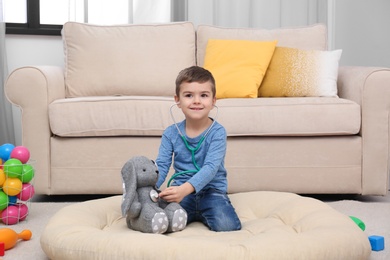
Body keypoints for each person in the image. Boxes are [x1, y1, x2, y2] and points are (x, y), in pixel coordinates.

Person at [156, 66, 241, 232]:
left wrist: (183, 190)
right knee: (161, 220)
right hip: (181, 191)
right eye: (189, 95)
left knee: (227, 226)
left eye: (204, 95)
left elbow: (211, 168)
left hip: (211, 191)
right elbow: (162, 165)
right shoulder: (171, 133)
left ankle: (202, 212)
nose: (196, 101)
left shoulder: (217, 132)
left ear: (213, 101)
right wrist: (150, 190)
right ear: (177, 100)